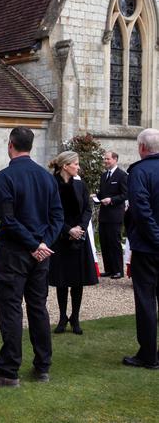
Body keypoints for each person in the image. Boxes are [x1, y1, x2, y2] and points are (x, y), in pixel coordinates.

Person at [0, 127, 63, 387]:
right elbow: (57, 217)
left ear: (10, 144)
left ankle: (8, 371)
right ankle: (42, 366)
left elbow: (8, 219)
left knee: (12, 309)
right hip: (38, 254)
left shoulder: (5, 177)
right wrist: (43, 244)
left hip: (16, 252)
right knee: (38, 308)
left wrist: (37, 244)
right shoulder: (47, 178)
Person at [47, 152, 98, 335]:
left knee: (77, 281)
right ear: (66, 165)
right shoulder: (52, 185)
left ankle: (75, 318)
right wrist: (68, 230)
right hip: (61, 238)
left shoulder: (80, 184)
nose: (78, 167)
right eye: (75, 164)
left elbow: (87, 208)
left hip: (79, 237)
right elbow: (51, 212)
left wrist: (80, 229)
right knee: (62, 280)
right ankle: (62, 317)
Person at [122, 128, 159, 369]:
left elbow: (141, 211)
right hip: (151, 242)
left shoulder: (140, 171)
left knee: (145, 301)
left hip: (148, 247)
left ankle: (148, 355)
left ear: (142, 148)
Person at [96, 151, 128, 278]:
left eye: (108, 159)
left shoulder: (122, 175)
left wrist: (112, 200)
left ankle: (118, 270)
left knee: (114, 242)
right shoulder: (104, 176)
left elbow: (126, 194)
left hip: (115, 215)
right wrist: (95, 197)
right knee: (104, 242)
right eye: (105, 159)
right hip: (103, 214)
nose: (105, 161)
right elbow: (102, 193)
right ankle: (109, 269)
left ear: (115, 159)